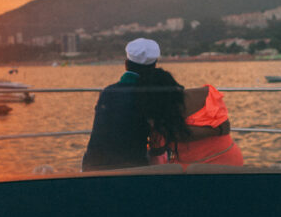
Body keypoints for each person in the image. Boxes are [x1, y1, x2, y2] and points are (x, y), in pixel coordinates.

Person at [137, 67, 243, 168]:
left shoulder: (160, 118)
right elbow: (225, 127)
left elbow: (157, 151)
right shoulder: (205, 94)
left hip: (193, 170)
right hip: (230, 160)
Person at [80, 38, 160, 171]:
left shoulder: (107, 92)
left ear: (126, 64)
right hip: (131, 166)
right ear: (154, 67)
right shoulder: (150, 96)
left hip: (92, 165)